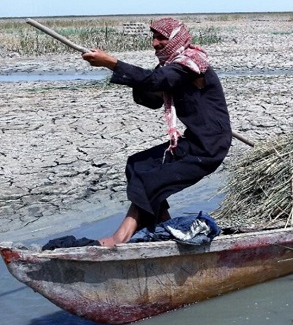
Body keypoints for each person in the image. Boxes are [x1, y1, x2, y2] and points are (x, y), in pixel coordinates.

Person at [82, 18, 232, 246]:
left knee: (149, 181)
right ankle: (163, 225)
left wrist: (111, 63)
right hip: (194, 141)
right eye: (154, 37)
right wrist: (144, 83)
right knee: (137, 164)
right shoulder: (172, 68)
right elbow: (152, 95)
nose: (155, 43)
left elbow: (156, 81)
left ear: (176, 39)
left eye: (161, 37)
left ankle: (120, 237)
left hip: (209, 146)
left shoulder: (191, 65)